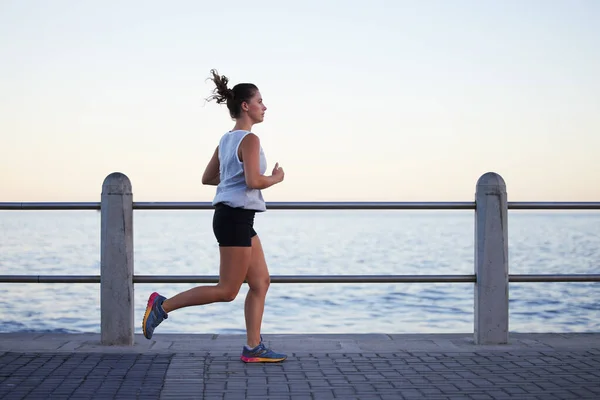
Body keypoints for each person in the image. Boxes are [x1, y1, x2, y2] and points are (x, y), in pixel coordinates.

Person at [142, 69, 287, 363]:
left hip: (237, 219)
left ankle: (253, 347)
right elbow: (253, 182)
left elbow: (209, 178)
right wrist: (275, 178)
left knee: (260, 282)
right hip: (234, 218)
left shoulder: (226, 140)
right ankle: (162, 305)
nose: (264, 106)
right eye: (260, 100)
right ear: (245, 106)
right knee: (227, 290)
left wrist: (236, 176)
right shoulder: (249, 139)